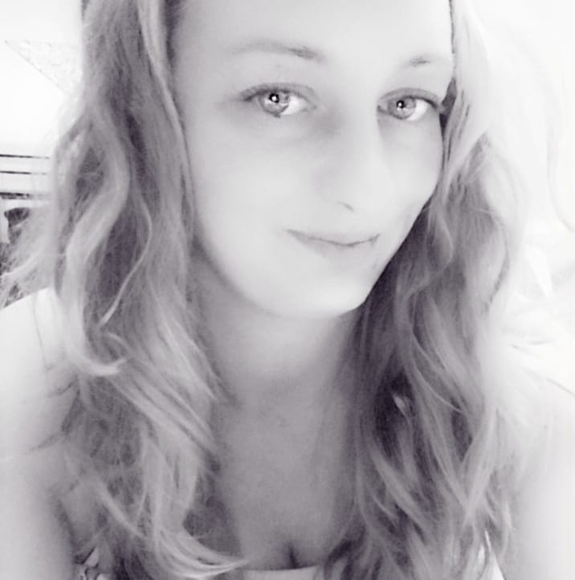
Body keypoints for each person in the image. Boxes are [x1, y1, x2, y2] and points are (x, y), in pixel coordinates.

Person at [1, 0, 574, 579]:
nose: (367, 186)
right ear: (148, 114)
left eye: (408, 103)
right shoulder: (38, 387)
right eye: (278, 98)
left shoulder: (503, 400)